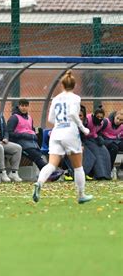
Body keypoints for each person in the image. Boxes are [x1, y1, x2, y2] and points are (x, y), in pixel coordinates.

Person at [32, 71, 92, 204]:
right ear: (74, 85)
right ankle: (81, 195)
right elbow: (73, 113)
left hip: (56, 132)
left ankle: (39, 183)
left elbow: (51, 118)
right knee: (78, 166)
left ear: (62, 85)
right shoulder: (75, 98)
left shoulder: (56, 98)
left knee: (52, 164)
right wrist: (83, 128)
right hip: (70, 132)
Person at [8, 98, 63, 181]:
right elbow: (9, 133)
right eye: (22, 106)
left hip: (31, 143)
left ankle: (48, 174)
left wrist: (35, 135)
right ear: (19, 106)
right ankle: (49, 173)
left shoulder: (30, 118)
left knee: (38, 156)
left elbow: (32, 130)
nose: (24, 108)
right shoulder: (14, 118)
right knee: (37, 156)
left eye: (26, 106)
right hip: (20, 143)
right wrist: (23, 135)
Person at [100, 109, 123, 175]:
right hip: (105, 140)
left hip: (116, 140)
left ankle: (121, 167)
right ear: (114, 116)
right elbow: (98, 130)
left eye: (121, 120)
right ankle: (109, 169)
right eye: (117, 118)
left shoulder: (121, 126)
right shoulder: (106, 122)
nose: (118, 121)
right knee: (114, 148)